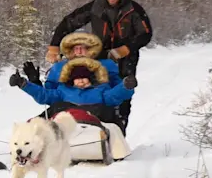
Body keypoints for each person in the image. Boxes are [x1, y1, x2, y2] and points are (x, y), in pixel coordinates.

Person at [43, 0, 152, 135]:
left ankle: (118, 134)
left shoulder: (133, 9)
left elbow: (146, 33)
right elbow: (69, 22)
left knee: (123, 94)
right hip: (99, 58)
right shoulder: (95, 7)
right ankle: (91, 132)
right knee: (96, 94)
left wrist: (125, 49)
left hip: (126, 59)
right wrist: (54, 45)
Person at [9, 56, 137, 135]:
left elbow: (114, 95)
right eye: (77, 79)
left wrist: (125, 86)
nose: (81, 81)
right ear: (71, 80)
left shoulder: (100, 90)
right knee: (55, 108)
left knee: (108, 109)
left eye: (84, 78)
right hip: (67, 123)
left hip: (95, 121)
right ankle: (27, 134)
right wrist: (24, 84)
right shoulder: (63, 91)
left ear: (91, 79)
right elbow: (44, 95)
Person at [24, 32, 121, 90]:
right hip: (64, 109)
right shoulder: (58, 67)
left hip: (99, 108)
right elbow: (48, 94)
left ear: (90, 49)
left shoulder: (106, 65)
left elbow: (118, 89)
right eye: (75, 48)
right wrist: (35, 82)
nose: (78, 51)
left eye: (82, 48)